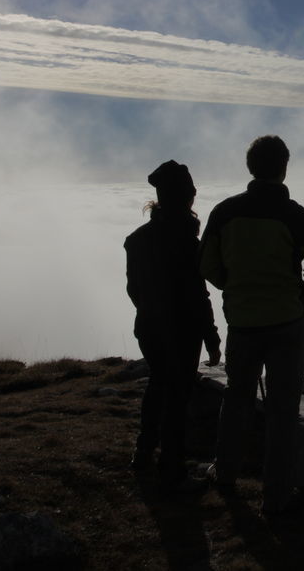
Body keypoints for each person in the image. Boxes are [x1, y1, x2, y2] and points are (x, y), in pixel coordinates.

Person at [199, 135, 304, 515]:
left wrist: (236, 284)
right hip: (286, 323)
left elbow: (208, 266)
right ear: (284, 168)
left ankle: (225, 473)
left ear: (251, 167)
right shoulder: (295, 216)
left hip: (242, 323)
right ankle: (276, 496)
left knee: (237, 399)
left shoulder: (225, 213)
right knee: (282, 409)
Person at [124, 160, 222, 491]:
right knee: (178, 394)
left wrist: (151, 313)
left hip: (150, 327)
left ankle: (144, 450)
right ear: (186, 198)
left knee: (159, 384)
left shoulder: (136, 240)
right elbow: (198, 294)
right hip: (184, 329)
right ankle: (172, 465)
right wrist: (211, 336)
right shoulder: (188, 243)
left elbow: (133, 290)